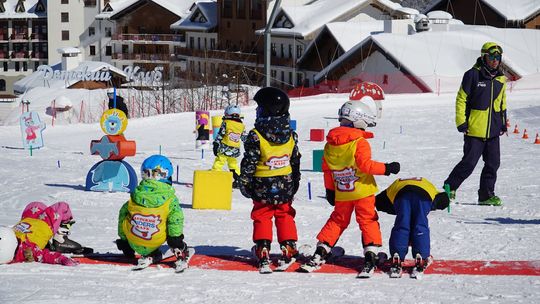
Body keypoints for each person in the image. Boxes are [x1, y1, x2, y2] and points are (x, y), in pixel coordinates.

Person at [300, 100, 400, 276]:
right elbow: (365, 165)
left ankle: (322, 250)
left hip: (342, 192)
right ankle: (371, 255)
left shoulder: (330, 144)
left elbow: (327, 170)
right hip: (363, 191)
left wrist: (330, 190)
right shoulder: (359, 142)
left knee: (337, 220)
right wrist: (387, 168)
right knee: (367, 220)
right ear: (359, 120)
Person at [238, 87, 301, 273]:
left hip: (262, 185)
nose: (257, 113)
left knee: (262, 214)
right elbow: (295, 159)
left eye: (259, 109)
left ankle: (263, 246)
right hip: (285, 183)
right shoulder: (290, 134)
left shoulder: (255, 135)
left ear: (268, 111)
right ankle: (288, 245)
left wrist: (244, 182)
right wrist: (295, 181)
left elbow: (249, 162)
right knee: (285, 213)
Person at [443, 42, 507, 206]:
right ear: (484, 56)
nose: (494, 60)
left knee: (493, 163)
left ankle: (486, 195)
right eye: (491, 56)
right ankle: (450, 187)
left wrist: (503, 122)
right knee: (469, 163)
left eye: (497, 57)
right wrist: (461, 122)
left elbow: (502, 102)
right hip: (474, 129)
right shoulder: (472, 75)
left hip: (493, 129)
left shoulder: (501, 78)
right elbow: (461, 99)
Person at [116, 155, 190, 270]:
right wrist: (175, 240)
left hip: (133, 239)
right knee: (167, 217)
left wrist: (124, 241)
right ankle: (177, 251)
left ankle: (149, 252)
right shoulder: (170, 198)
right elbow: (175, 220)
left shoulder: (135, 195)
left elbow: (122, 216)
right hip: (155, 240)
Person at [375, 177, 450, 276]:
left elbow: (378, 202)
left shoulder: (392, 187)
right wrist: (428, 208)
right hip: (424, 195)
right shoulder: (429, 186)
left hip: (401, 194)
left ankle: (396, 256)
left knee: (402, 224)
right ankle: (421, 257)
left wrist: (399, 211)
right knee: (420, 224)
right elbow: (444, 200)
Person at [0, 201, 82, 266]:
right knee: (62, 206)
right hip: (46, 224)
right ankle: (60, 237)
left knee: (35, 205)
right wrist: (62, 259)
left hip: (29, 219)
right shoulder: (28, 249)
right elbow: (46, 255)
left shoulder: (6, 239)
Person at [211, 104, 247, 187]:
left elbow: (221, 134)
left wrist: (216, 144)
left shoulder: (226, 123)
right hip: (235, 149)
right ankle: (237, 179)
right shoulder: (241, 126)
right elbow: (244, 137)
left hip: (225, 148)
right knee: (233, 164)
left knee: (219, 162)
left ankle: (214, 177)